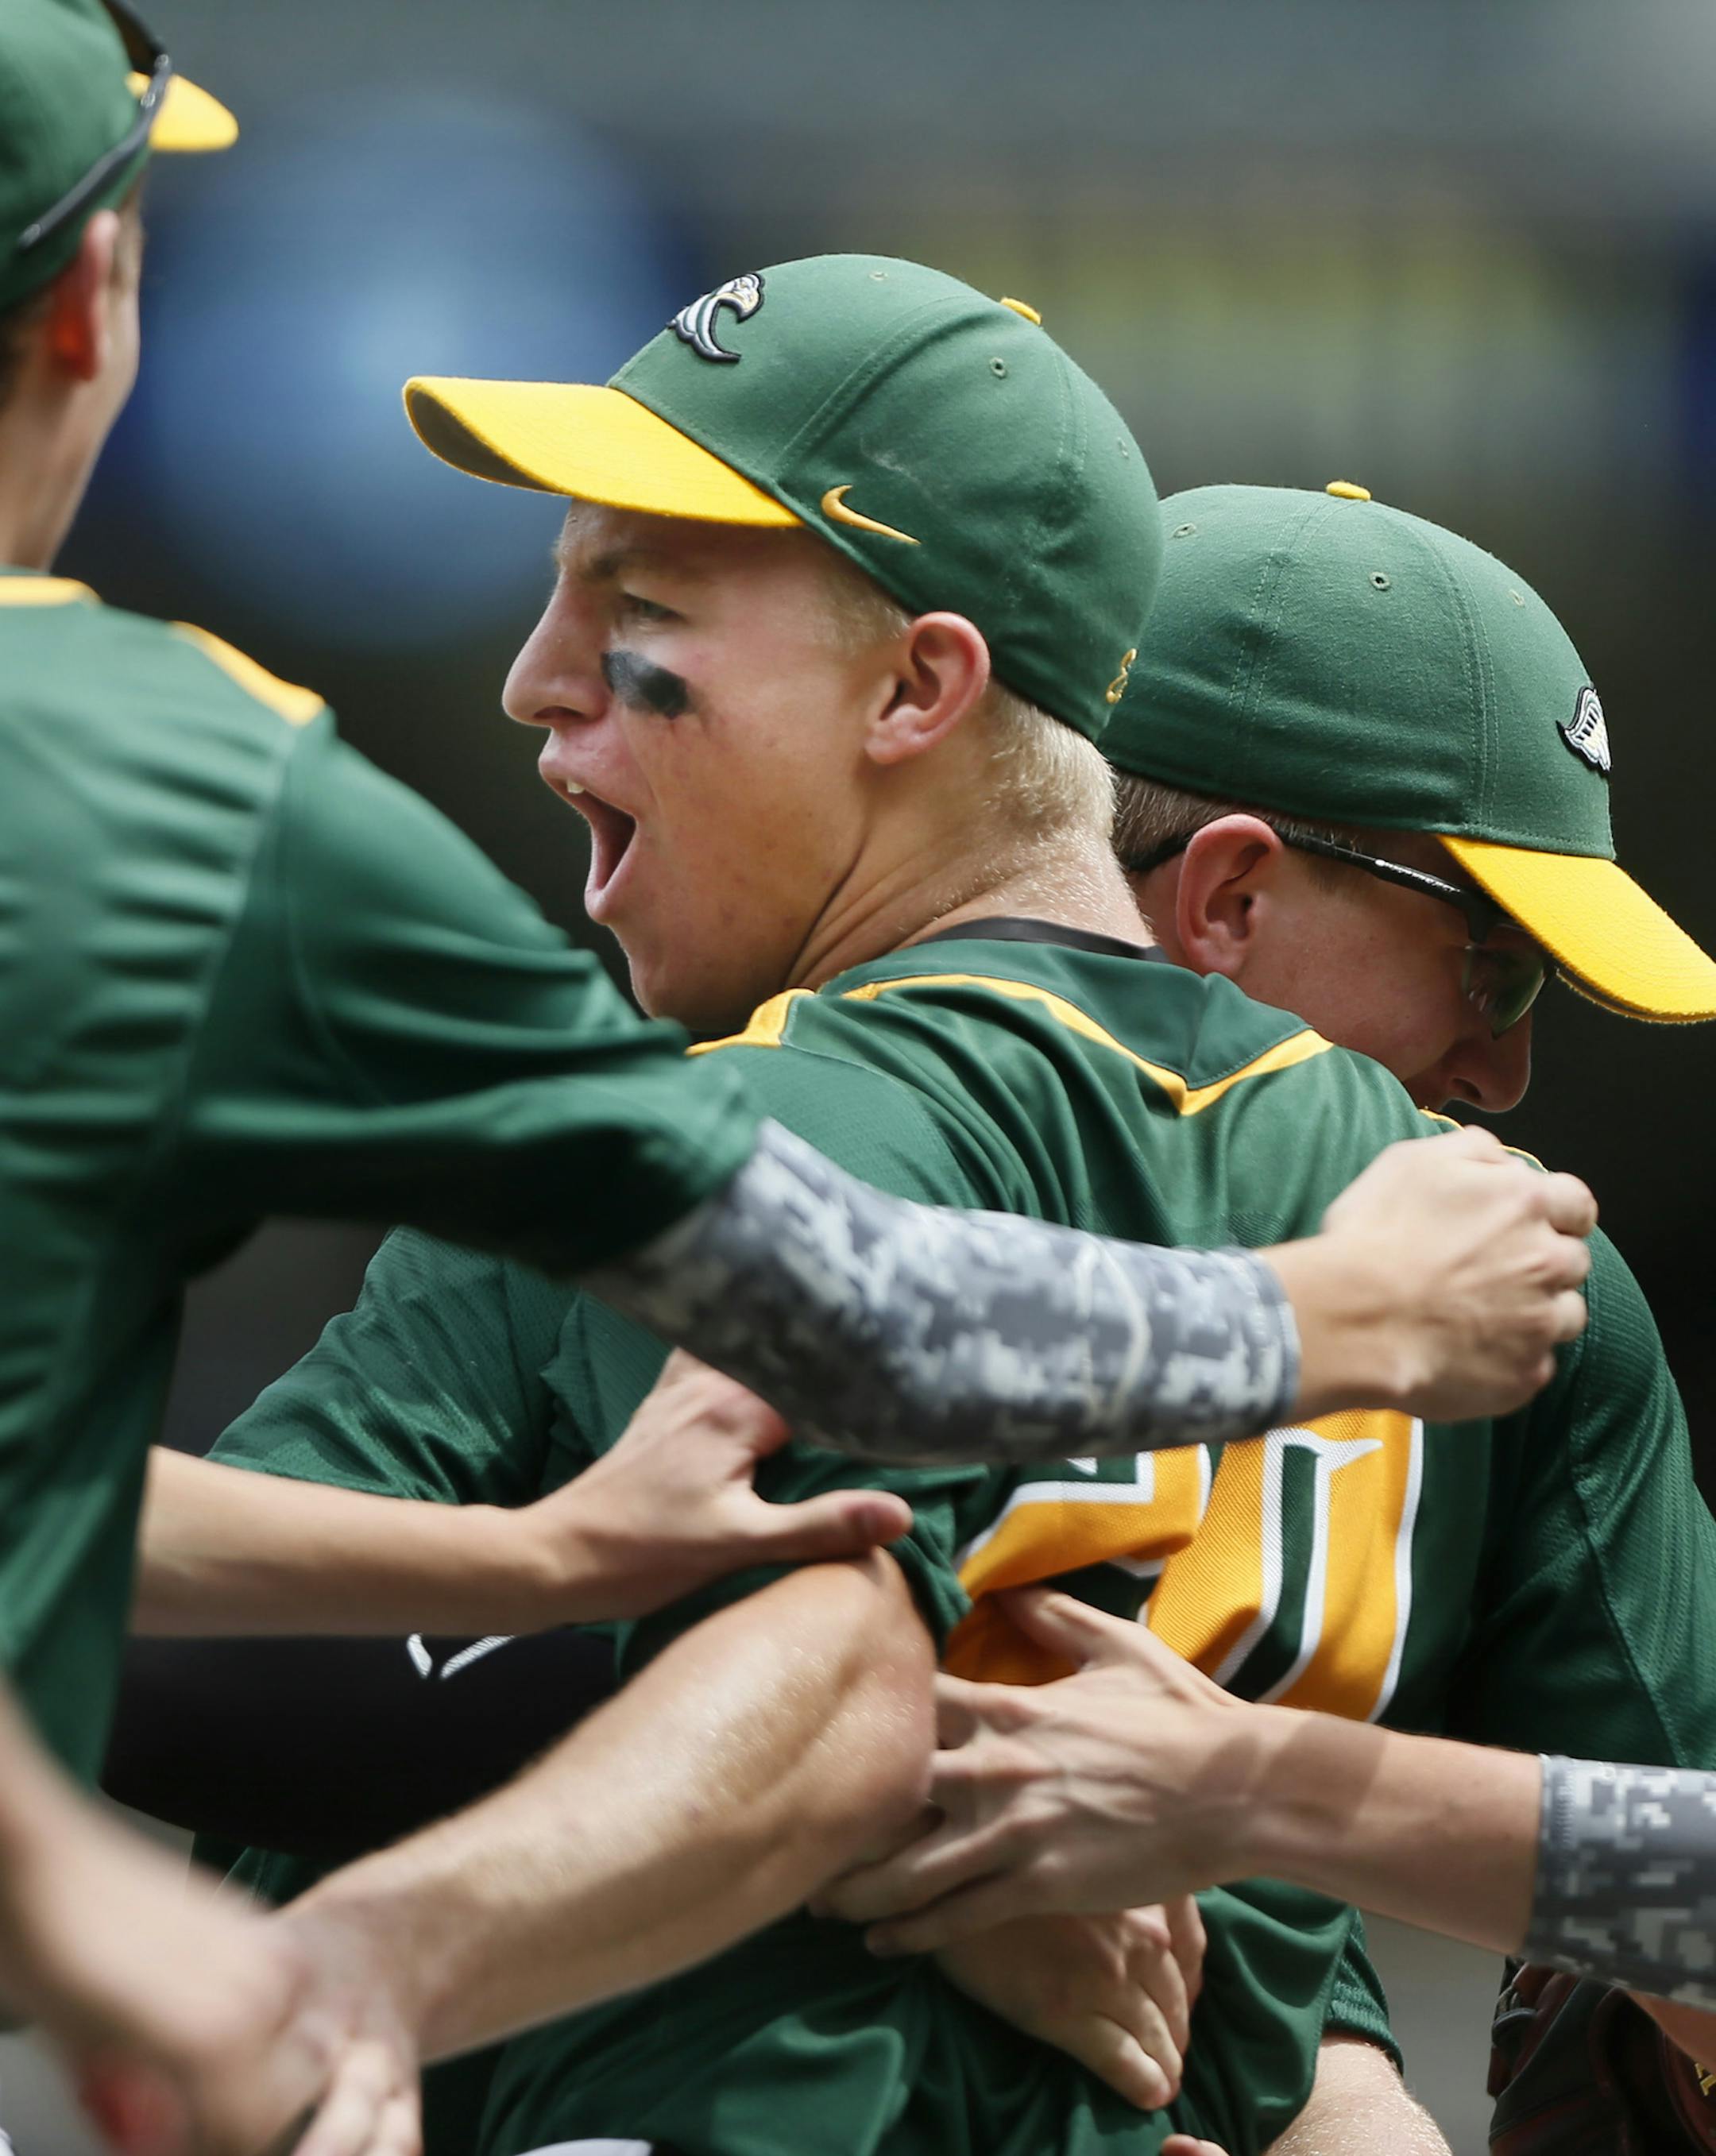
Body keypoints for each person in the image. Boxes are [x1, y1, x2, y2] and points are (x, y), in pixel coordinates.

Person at [8, 11, 1593, 2145]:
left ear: (934, 689)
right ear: (92, 308)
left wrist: (567, 1577)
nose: (535, 677)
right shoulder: (161, 779)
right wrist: (1322, 1328)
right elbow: (845, 1393)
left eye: (633, 597)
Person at [823, 481, 1716, 2150]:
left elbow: (1692, 1906)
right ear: (1226, 902)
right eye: (1492, 967)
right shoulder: (796, 1157)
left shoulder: (1536, 1300)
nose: (1507, 1070)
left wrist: (1267, 1815)